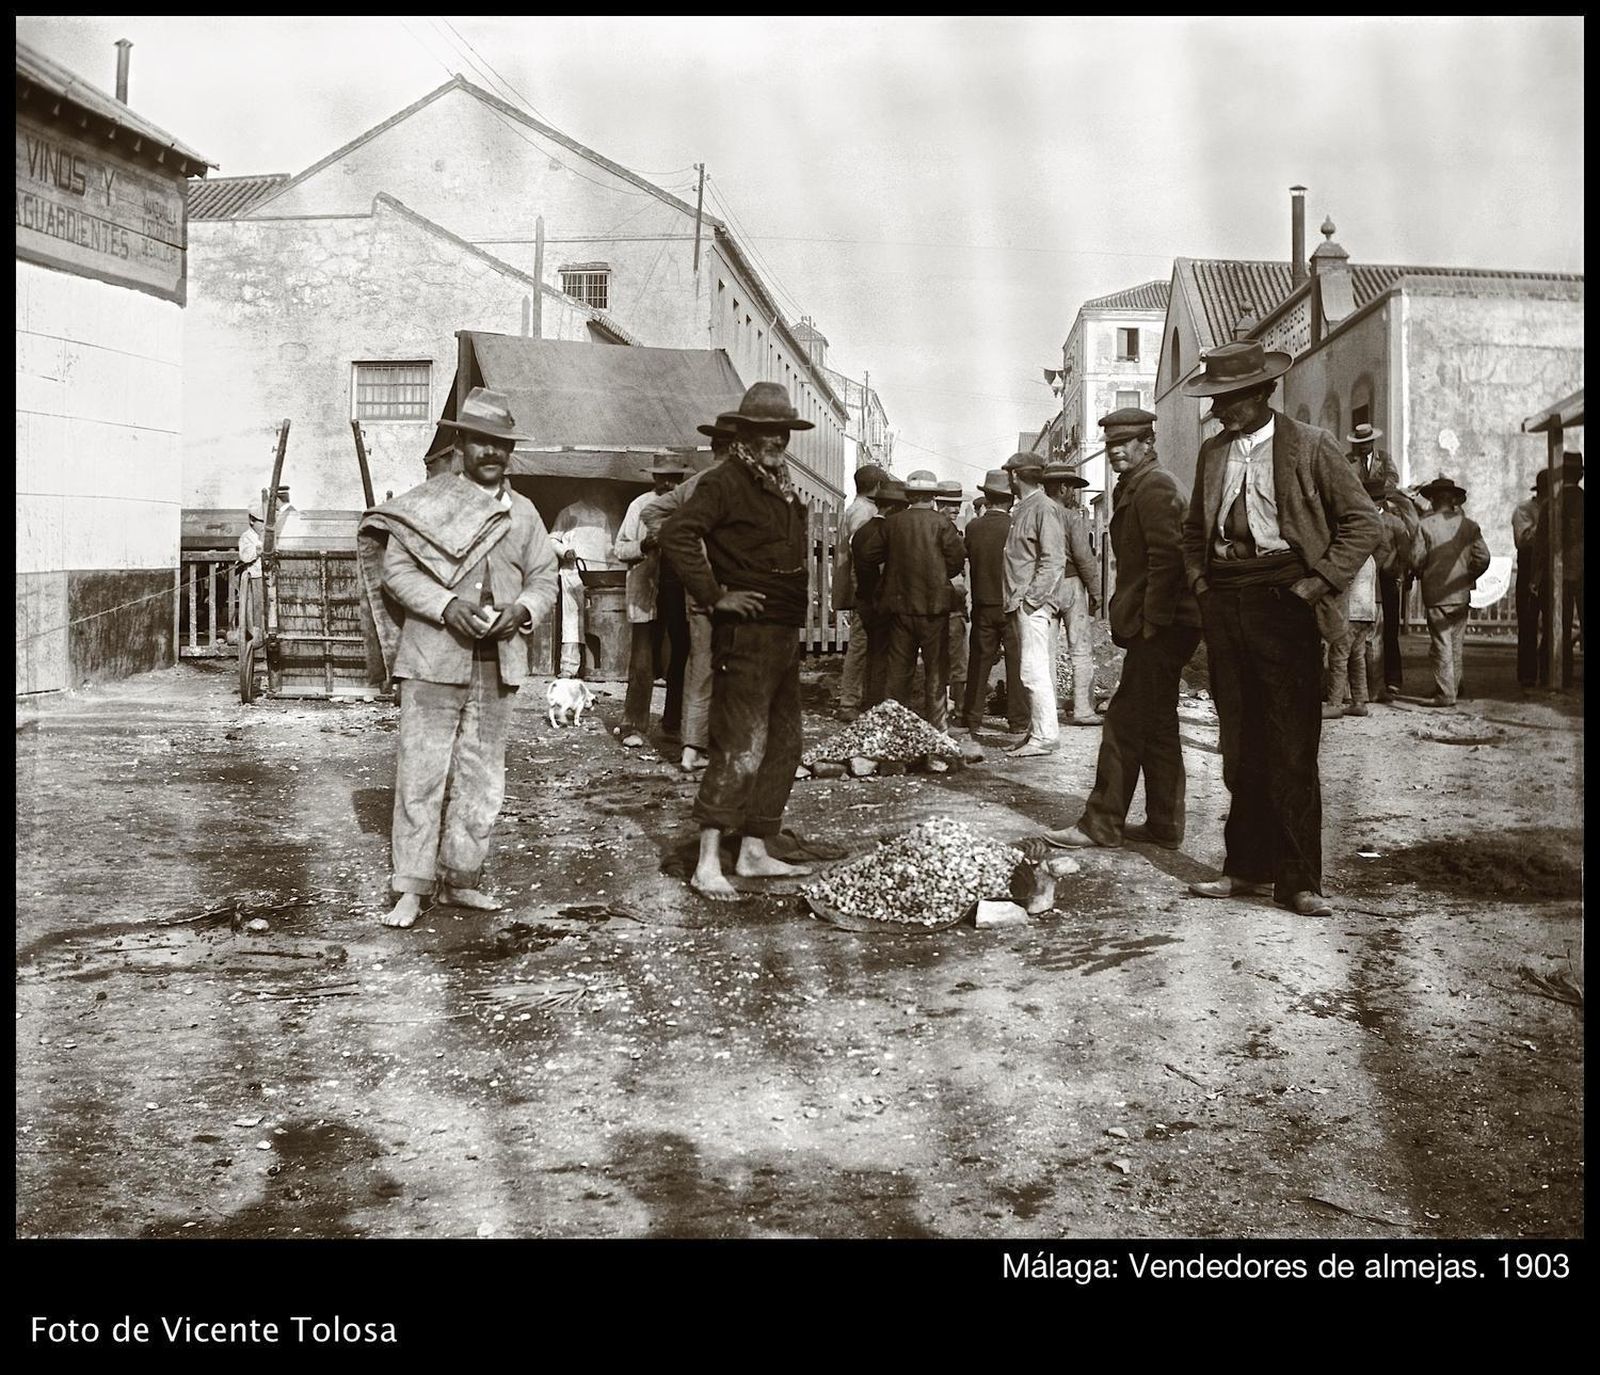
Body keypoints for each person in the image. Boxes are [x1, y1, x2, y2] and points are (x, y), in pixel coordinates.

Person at [1178, 341, 1380, 917]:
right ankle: (1246, 867)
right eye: (1214, 400)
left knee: (1291, 744)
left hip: (1286, 599)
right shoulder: (1213, 453)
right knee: (1240, 743)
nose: (1218, 411)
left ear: (1261, 393)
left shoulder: (1311, 447)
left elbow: (1363, 524)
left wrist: (1316, 584)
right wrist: (1200, 583)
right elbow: (1196, 531)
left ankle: (1299, 880)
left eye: (1227, 400)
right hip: (1227, 601)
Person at [355, 387, 558, 929]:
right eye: (481, 442)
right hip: (433, 660)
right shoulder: (431, 502)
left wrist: (523, 610)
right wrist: (447, 607)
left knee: (481, 780)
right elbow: (397, 573)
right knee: (421, 774)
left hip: (498, 663)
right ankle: (411, 888)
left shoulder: (525, 514)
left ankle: (460, 881)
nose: (491, 453)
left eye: (501, 444)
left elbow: (545, 577)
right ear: (462, 444)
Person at [658, 382, 817, 902]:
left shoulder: (779, 482)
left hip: (780, 632)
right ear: (744, 434)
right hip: (745, 634)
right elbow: (678, 533)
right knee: (740, 746)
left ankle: (752, 849)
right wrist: (714, 595)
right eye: (764, 431)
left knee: (784, 743)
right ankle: (708, 862)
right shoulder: (725, 481)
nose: (775, 439)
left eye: (782, 431)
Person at [1043, 408, 1200, 850]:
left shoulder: (1156, 487)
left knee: (1124, 722)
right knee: (1158, 722)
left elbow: (1168, 560)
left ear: (1147, 444)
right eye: (1111, 445)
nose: (1115, 452)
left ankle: (1102, 822)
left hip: (1164, 624)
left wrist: (1152, 623)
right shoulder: (1141, 485)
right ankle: (1164, 824)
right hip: (1166, 622)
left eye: (1125, 443)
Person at [642, 412, 739, 771]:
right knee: (737, 666)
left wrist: (683, 551)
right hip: (733, 588)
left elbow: (652, 513)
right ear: (738, 448)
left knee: (701, 667)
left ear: (714, 447)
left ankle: (691, 749)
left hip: (698, 587)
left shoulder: (694, 484)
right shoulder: (741, 484)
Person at [855, 469, 966, 734]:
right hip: (935, 608)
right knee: (936, 671)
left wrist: (894, 568)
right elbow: (955, 563)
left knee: (899, 671)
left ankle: (896, 729)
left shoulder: (893, 524)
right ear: (932, 496)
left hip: (899, 607)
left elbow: (869, 555)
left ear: (910, 495)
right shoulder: (942, 524)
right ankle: (937, 729)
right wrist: (938, 574)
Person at [614, 456, 689, 748]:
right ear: (654, 477)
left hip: (679, 594)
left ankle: (673, 724)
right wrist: (644, 545)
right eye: (662, 477)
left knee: (678, 660)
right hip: (647, 595)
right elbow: (619, 548)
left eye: (673, 477)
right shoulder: (639, 505)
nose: (667, 482)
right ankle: (633, 724)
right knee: (643, 662)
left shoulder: (688, 506)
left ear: (680, 478)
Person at [1001, 451, 1066, 757]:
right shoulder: (1026, 508)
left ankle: (1044, 737)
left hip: (1031, 604)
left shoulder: (1043, 508)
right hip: (1021, 602)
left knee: (1033, 670)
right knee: (1030, 669)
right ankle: (1036, 733)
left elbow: (1054, 561)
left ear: (1015, 476)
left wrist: (1032, 601)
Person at [1409, 475, 1491, 707]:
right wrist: (1468, 574)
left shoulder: (1425, 525)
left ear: (1434, 501)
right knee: (1455, 642)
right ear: (1453, 500)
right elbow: (1483, 558)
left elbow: (1416, 559)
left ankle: (1446, 694)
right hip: (1461, 592)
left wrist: (1423, 570)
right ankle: (1454, 686)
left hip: (1436, 594)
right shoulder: (1469, 526)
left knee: (1441, 644)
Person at [961, 469, 1028, 734]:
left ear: (986, 497)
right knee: (1016, 663)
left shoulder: (973, 528)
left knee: (979, 661)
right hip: (1011, 605)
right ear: (1010, 500)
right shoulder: (1015, 527)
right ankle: (1018, 720)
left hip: (982, 603)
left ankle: (972, 717)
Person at [1041, 462, 1103, 726]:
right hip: (1069, 582)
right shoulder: (1070, 517)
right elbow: (1084, 557)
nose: (1074, 494)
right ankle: (1082, 709)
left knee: (1045, 652)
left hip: (1042, 585)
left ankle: (1046, 711)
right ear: (1063, 487)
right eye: (1073, 489)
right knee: (1080, 649)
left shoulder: (1034, 513)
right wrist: (1096, 592)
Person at [1346, 424, 1405, 697]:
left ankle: (1392, 679)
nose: (1364, 447)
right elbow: (1344, 482)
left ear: (1372, 442)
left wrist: (1380, 490)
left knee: (1389, 627)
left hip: (1382, 498)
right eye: (1361, 443)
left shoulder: (1384, 459)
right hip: (1360, 503)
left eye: (1367, 443)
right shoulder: (1350, 461)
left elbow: (1393, 479)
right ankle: (1361, 682)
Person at [832, 464, 889, 722]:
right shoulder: (864, 512)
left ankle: (857, 698)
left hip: (862, 585)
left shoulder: (856, 508)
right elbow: (865, 552)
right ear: (877, 486)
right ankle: (850, 701)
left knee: (864, 643)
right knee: (860, 643)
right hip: (866, 587)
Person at [851, 478, 908, 712]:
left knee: (871, 652)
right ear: (894, 507)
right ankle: (880, 704)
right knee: (886, 655)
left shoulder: (863, 531)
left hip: (864, 598)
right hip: (884, 601)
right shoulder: (889, 532)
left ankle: (868, 702)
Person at [935, 479, 971, 723]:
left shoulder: (955, 532)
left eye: (957, 504)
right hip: (944, 605)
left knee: (957, 660)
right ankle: (945, 710)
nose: (955, 509)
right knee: (943, 660)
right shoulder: (938, 531)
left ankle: (958, 709)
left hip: (953, 609)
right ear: (938, 503)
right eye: (949, 504)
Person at [1512, 470, 1549, 689]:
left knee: (1553, 624)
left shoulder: (1557, 508)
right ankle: (1527, 674)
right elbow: (1523, 541)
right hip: (1528, 569)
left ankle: (1548, 672)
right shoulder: (1524, 510)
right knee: (1528, 623)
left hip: (1550, 570)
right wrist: (1545, 519)